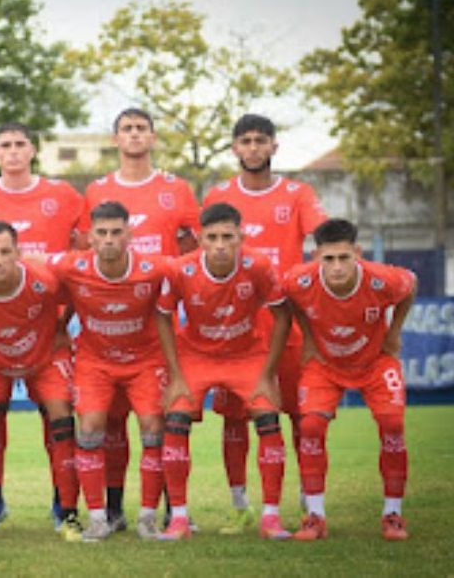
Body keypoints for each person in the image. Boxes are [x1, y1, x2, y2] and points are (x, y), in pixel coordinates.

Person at [0, 121, 84, 529]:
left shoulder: (63, 195)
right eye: (4, 145)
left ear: (33, 150)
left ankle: (63, 504)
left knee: (56, 414)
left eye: (20, 144)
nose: (12, 151)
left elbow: (83, 250)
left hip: (45, 328)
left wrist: (62, 318)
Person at [203, 113, 327, 533]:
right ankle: (241, 505)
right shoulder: (219, 195)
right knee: (234, 419)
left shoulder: (297, 193)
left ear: (274, 146)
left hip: (287, 326)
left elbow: (325, 241)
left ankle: (308, 500)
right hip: (235, 328)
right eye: (246, 141)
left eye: (260, 140)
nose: (253, 148)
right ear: (234, 148)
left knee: (299, 414)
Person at [78, 108, 200, 532]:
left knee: (158, 420)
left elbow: (195, 245)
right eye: (126, 129)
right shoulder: (96, 190)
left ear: (153, 137)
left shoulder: (176, 188)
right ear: (115, 139)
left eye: (141, 128)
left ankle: (169, 510)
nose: (134, 135)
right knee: (108, 424)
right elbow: (83, 247)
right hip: (108, 322)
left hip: (156, 322)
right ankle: (111, 511)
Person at [155, 203, 291, 541]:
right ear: (200, 239)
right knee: (176, 420)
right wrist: (176, 375)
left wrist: (267, 374)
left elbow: (283, 316)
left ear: (240, 237)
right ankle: (179, 519)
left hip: (246, 354)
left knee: (268, 419)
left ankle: (271, 517)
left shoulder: (258, 266)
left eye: (227, 237)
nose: (219, 245)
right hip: (197, 355)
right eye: (212, 237)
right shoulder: (181, 269)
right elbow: (162, 316)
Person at [284, 219, 416, 541]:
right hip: (325, 364)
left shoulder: (382, 279)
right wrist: (308, 337)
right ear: (316, 257)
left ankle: (393, 515)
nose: (337, 267)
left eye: (344, 257)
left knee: (393, 425)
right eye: (329, 259)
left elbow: (410, 285)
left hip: (375, 361)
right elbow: (289, 299)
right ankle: (315, 517)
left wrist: (394, 333)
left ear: (358, 253)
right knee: (310, 426)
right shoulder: (298, 281)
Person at [50, 201, 169, 541]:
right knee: (89, 428)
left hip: (145, 361)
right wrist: (58, 326)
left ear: (130, 235)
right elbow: (31, 265)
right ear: (89, 237)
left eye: (116, 232)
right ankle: (98, 519)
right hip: (95, 362)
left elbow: (192, 273)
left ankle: (148, 517)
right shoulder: (72, 266)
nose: (109, 240)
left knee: (152, 427)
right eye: (101, 233)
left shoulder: (154, 268)